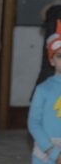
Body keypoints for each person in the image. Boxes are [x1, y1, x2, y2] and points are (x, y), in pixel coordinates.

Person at [28, 24, 61, 164]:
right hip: (46, 152)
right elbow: (34, 123)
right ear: (52, 61)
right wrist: (53, 151)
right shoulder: (44, 89)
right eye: (60, 56)